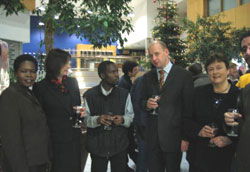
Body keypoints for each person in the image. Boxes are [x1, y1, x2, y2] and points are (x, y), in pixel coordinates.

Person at [140, 41, 194, 172]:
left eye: (157, 54)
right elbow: (141, 101)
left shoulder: (183, 76)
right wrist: (146, 104)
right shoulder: (148, 77)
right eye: (151, 55)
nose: (154, 58)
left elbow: (189, 109)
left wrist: (186, 138)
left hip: (174, 138)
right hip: (153, 139)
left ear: (166, 52)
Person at [33, 49, 83, 172]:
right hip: (55, 142)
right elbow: (39, 117)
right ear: (56, 64)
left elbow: (76, 106)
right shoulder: (41, 87)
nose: (69, 66)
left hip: (74, 140)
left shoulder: (72, 83)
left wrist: (81, 114)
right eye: (66, 63)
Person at [189, 53, 239, 172]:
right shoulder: (198, 93)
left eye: (219, 68)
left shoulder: (239, 96)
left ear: (228, 71)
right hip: (200, 158)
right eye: (211, 69)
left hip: (227, 159)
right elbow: (187, 118)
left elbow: (246, 125)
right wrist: (199, 130)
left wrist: (230, 139)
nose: (215, 72)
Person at [0, 54, 49, 172]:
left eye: (32, 71)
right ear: (16, 72)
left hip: (37, 161)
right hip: (24, 164)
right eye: (24, 71)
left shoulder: (29, 93)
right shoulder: (10, 95)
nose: (29, 75)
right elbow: (11, 138)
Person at [83, 61, 134, 172]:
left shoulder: (124, 94)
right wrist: (97, 120)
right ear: (102, 75)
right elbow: (84, 119)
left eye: (117, 71)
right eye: (112, 72)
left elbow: (131, 116)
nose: (117, 74)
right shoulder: (89, 95)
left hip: (119, 145)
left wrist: (123, 120)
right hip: (97, 146)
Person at [224, 31, 250, 172]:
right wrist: (230, 122)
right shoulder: (246, 90)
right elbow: (242, 124)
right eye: (244, 49)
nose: (247, 52)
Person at [130, 76, 148, 172]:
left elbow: (133, 99)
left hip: (141, 122)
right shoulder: (143, 80)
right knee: (144, 154)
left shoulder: (139, 80)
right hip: (145, 123)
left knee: (143, 153)